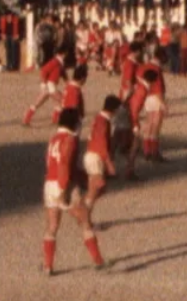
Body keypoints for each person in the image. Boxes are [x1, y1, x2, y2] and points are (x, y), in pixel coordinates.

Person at [42, 108, 108, 276]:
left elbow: (52, 163)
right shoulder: (70, 139)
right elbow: (65, 165)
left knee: (52, 226)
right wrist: (64, 190)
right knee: (84, 221)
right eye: (78, 121)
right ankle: (98, 260)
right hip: (64, 184)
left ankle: (48, 266)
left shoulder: (54, 139)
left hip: (49, 183)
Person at [83, 95, 120, 225]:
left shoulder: (99, 119)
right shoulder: (103, 122)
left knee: (95, 189)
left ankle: (86, 217)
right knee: (98, 188)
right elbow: (102, 145)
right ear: (114, 109)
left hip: (93, 155)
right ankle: (84, 215)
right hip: (95, 157)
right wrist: (109, 164)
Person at [23, 47, 67, 126]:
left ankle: (27, 119)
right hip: (50, 85)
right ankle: (56, 119)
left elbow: (63, 73)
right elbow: (44, 70)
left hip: (50, 85)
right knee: (62, 100)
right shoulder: (55, 62)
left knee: (39, 102)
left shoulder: (59, 62)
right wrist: (43, 84)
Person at [125, 70, 156, 180]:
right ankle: (129, 170)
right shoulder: (143, 90)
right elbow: (135, 108)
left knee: (117, 143)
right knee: (135, 145)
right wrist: (135, 124)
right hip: (132, 117)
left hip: (127, 114)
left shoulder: (139, 86)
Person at [138, 48, 167, 162]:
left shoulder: (144, 66)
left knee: (148, 124)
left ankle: (146, 151)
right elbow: (158, 88)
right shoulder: (156, 69)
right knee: (156, 127)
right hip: (156, 98)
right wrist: (163, 103)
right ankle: (154, 152)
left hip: (147, 97)